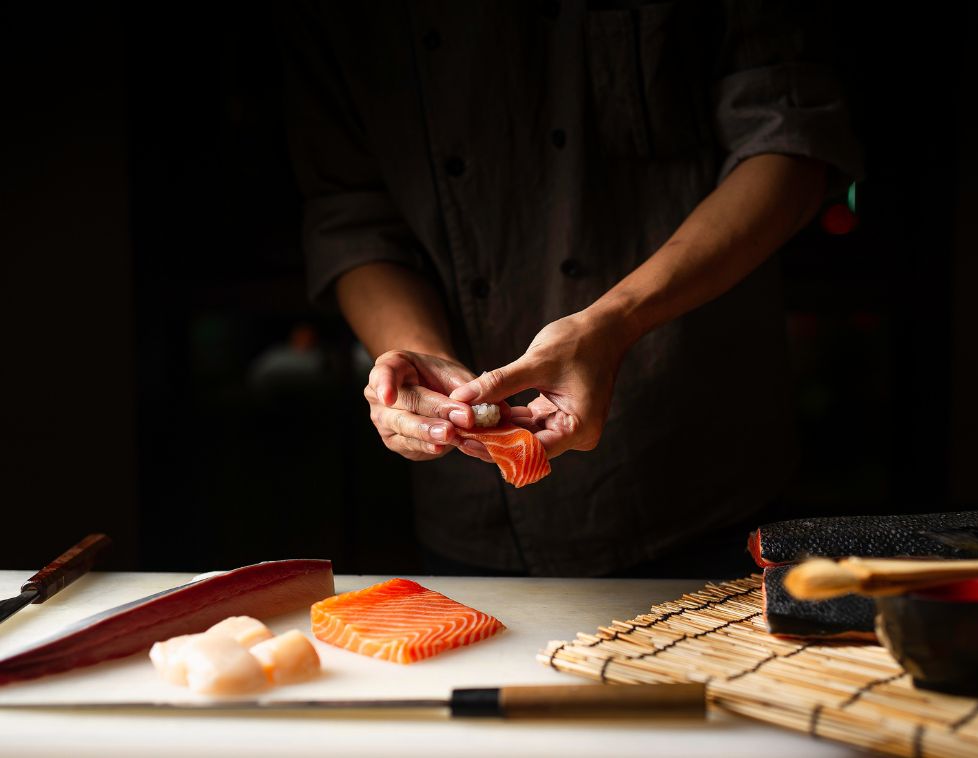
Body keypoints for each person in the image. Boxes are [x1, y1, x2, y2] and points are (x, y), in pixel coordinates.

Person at [282, 1, 862, 577]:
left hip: (698, 466)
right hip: (470, 505)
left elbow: (788, 145)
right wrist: (416, 352)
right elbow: (350, 217)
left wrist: (615, 321)